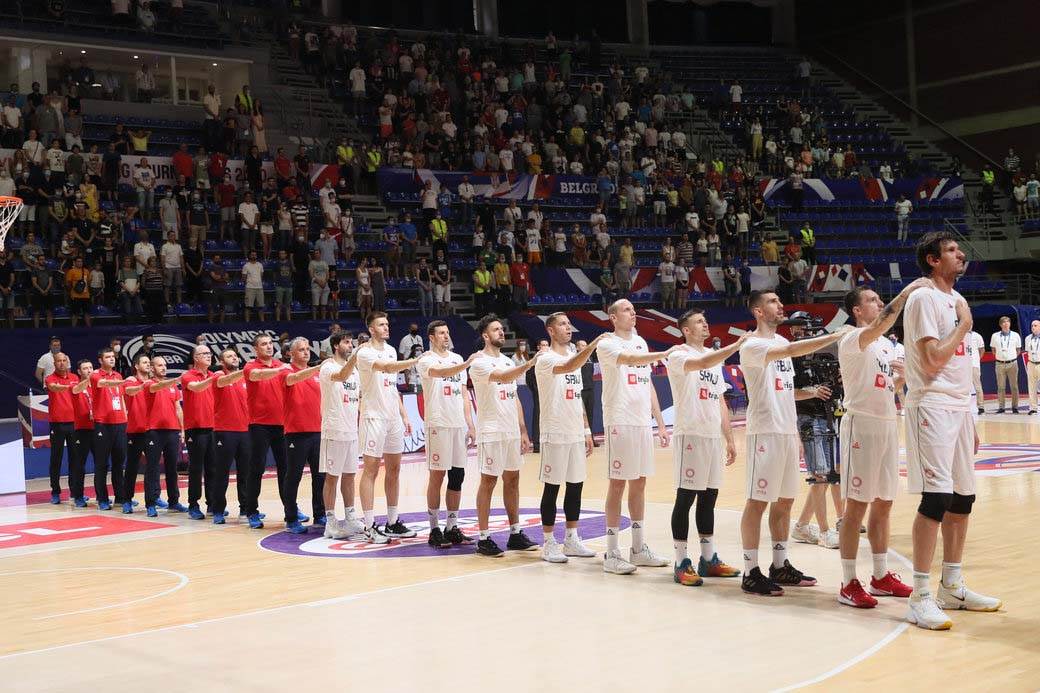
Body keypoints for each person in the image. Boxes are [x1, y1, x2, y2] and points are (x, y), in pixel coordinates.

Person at [902, 231, 1001, 629]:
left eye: (959, 250)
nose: (961, 254)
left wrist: (971, 417)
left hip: (960, 408)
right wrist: (964, 325)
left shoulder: (954, 299)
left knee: (963, 500)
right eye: (951, 250)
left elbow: (959, 366)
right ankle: (920, 594)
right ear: (932, 260)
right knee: (937, 498)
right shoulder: (926, 298)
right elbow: (930, 362)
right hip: (932, 403)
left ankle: (953, 586)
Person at [737, 290, 849, 596]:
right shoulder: (752, 344)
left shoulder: (781, 344)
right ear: (758, 311)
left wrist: (810, 393)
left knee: (785, 500)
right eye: (773, 302)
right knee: (758, 501)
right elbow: (796, 351)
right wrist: (836, 335)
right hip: (765, 431)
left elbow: (786, 390)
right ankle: (749, 571)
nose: (780, 305)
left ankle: (779, 564)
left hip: (786, 430)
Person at [834, 282, 930, 609]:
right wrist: (906, 294)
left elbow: (888, 386)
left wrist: (900, 378)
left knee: (884, 502)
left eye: (880, 299)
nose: (879, 303)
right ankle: (848, 581)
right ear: (857, 310)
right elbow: (882, 322)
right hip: (861, 424)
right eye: (872, 300)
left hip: (888, 423)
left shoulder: (888, 347)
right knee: (856, 507)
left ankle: (879, 576)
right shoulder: (851, 337)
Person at [666, 310, 746, 585]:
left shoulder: (713, 361)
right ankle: (680, 562)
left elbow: (719, 401)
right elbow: (700, 361)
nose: (705, 324)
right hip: (691, 435)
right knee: (686, 496)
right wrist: (734, 347)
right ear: (685, 329)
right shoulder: (678, 354)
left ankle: (708, 559)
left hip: (712, 436)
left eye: (705, 320)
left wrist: (730, 438)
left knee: (709, 497)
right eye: (699, 321)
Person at [595, 299, 673, 574]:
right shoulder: (607, 344)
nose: (633, 313)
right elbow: (629, 360)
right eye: (626, 310)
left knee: (639, 482)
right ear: (613, 317)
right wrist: (664, 353)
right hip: (620, 420)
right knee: (618, 484)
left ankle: (638, 548)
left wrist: (660, 423)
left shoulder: (640, 341)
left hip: (642, 422)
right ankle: (612, 552)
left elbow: (647, 381)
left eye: (633, 309)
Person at [534, 315, 602, 563]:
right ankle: (549, 542)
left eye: (569, 324)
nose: (568, 327)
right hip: (554, 432)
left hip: (574, 431)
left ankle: (571, 539)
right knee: (552, 487)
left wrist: (586, 431)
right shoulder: (545, 358)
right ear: (550, 330)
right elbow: (568, 367)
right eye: (562, 324)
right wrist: (592, 347)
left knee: (576, 485)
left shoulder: (573, 355)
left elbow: (578, 396)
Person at [469, 314, 538, 557]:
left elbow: (514, 396)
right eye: (496, 330)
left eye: (501, 329)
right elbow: (501, 378)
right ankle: (484, 537)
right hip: (491, 430)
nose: (501, 332)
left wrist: (523, 430)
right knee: (488, 481)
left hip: (510, 430)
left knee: (513, 479)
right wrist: (530, 363)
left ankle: (515, 533)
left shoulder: (509, 362)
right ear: (485, 336)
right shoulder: (479, 362)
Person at [356, 312, 421, 542]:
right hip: (373, 417)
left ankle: (392, 522)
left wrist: (404, 415)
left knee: (394, 469)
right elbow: (387, 368)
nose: (386, 327)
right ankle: (369, 524)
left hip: (392, 417)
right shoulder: (364, 353)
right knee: (371, 470)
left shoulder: (392, 350)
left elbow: (393, 387)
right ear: (371, 329)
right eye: (381, 325)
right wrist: (414, 361)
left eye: (386, 324)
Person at [417, 321, 477, 548]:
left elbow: (463, 395)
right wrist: (467, 364)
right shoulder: (426, 360)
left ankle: (452, 527)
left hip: (458, 425)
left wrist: (470, 424)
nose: (446, 336)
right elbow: (440, 373)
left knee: (457, 476)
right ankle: (434, 529)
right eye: (442, 333)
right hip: (438, 424)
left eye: (448, 332)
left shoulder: (457, 359)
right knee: (437, 475)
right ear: (431, 337)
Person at [242, 334, 295, 530]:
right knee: (256, 469)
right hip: (259, 425)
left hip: (282, 424)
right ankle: (252, 511)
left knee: (286, 470)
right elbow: (258, 376)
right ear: (256, 349)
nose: (268, 347)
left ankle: (291, 509)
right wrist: (280, 369)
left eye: (270, 344)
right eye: (263, 344)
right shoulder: (251, 367)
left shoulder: (280, 365)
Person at [319, 333, 364, 539]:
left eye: (351, 342)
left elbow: (359, 396)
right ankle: (330, 521)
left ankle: (350, 516)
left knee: (349, 475)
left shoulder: (354, 370)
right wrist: (356, 356)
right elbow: (341, 376)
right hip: (334, 430)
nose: (350, 345)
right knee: (332, 477)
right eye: (346, 342)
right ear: (336, 345)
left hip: (351, 430)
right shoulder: (328, 367)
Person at [278, 338, 326, 534]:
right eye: (301, 350)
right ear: (291, 353)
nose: (306, 352)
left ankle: (320, 514)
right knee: (293, 477)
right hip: (296, 433)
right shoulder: (286, 371)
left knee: (320, 476)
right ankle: (291, 518)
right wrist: (318, 368)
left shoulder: (316, 375)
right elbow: (293, 380)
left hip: (318, 431)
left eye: (307, 349)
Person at [181, 345, 221, 523]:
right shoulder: (187, 376)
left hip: (213, 427)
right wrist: (213, 380)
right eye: (204, 354)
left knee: (213, 468)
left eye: (209, 354)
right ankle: (193, 505)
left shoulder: (213, 376)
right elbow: (196, 388)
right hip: (195, 429)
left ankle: (212, 504)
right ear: (196, 358)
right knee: (196, 469)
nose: (208, 356)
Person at [140, 356, 185, 516]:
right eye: (160, 365)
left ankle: (174, 501)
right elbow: (157, 387)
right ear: (152, 368)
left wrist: (182, 429)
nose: (164, 368)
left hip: (172, 431)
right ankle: (151, 503)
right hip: (154, 431)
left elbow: (178, 408)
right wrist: (176, 380)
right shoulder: (148, 384)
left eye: (165, 365)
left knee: (172, 468)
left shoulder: (173, 387)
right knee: (152, 468)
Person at [211, 349, 250, 520]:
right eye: (229, 356)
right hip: (224, 431)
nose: (234, 358)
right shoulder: (218, 375)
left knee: (245, 473)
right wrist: (248, 371)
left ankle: (245, 508)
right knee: (222, 473)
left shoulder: (244, 379)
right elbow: (226, 380)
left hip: (245, 431)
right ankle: (218, 510)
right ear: (221, 361)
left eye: (235, 356)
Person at [89, 347, 128, 511]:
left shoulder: (118, 376)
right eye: (107, 357)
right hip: (102, 424)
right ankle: (102, 499)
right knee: (102, 464)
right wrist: (121, 382)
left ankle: (120, 497)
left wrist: (126, 417)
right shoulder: (95, 375)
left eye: (113, 357)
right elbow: (102, 384)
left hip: (120, 423)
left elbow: (121, 398)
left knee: (119, 463)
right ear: (100, 360)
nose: (111, 359)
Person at [43, 353, 80, 504]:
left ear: (68, 362)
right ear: (54, 363)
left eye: (64, 360)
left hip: (74, 423)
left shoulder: (75, 378)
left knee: (75, 459)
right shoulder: (50, 378)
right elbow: (55, 388)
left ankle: (75, 491)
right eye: (59, 361)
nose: (62, 363)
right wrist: (70, 387)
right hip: (57, 424)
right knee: (56, 458)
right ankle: (55, 491)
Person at [69, 358, 95, 507]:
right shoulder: (75, 384)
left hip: (97, 428)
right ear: (79, 371)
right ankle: (78, 495)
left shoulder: (96, 386)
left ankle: (101, 496)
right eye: (85, 368)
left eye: (91, 367)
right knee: (80, 464)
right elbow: (76, 390)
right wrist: (90, 380)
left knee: (101, 464)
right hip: (81, 430)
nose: (89, 370)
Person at [989, 316, 1022, 413]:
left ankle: (1015, 407)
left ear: (1010, 324)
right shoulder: (995, 336)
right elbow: (993, 350)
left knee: (1014, 386)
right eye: (1003, 322)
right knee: (1001, 387)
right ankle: (1001, 407)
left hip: (1012, 363)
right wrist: (1002, 357)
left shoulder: (1016, 335)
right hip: (999, 364)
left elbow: (1018, 350)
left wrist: (1010, 357)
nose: (1006, 323)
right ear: (1000, 325)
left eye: (1007, 322)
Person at [967, 329, 986, 415]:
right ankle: (964, 407)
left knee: (977, 386)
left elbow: (982, 350)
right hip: (963, 365)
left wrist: (977, 359)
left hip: (974, 365)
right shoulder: (960, 335)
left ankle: (981, 407)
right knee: (962, 387)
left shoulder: (977, 336)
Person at [1025, 320, 1040, 415]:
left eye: (1035, 325)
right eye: (1032, 325)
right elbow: (1027, 351)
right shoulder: (1027, 338)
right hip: (1031, 363)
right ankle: (1033, 408)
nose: (1033, 327)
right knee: (1031, 386)